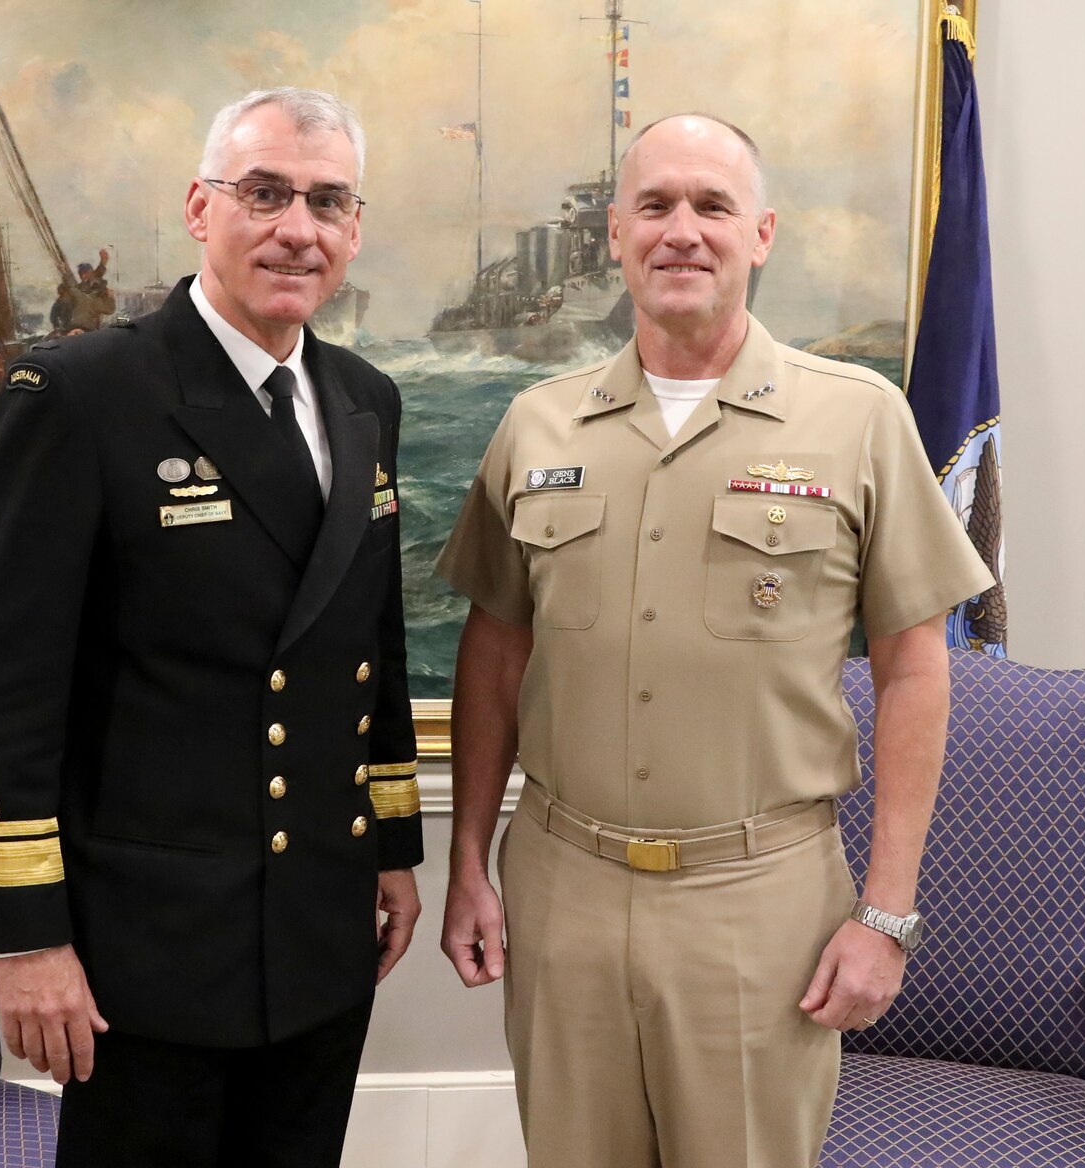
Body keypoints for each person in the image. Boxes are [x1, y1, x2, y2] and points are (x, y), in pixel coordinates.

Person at [435, 113, 994, 1168]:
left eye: (710, 206)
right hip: (564, 889)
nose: (679, 231)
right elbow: (495, 646)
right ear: (613, 234)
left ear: (762, 233)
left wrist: (886, 913)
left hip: (759, 901)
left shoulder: (858, 417)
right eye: (653, 206)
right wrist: (467, 860)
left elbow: (917, 667)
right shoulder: (535, 425)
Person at [0, 87, 423, 1167]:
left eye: (327, 201)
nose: (297, 227)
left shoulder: (362, 398)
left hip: (316, 926)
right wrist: (24, 940)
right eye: (264, 194)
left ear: (352, 230)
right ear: (200, 209)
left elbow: (368, 648)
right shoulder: (79, 393)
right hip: (144, 951)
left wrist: (390, 851)